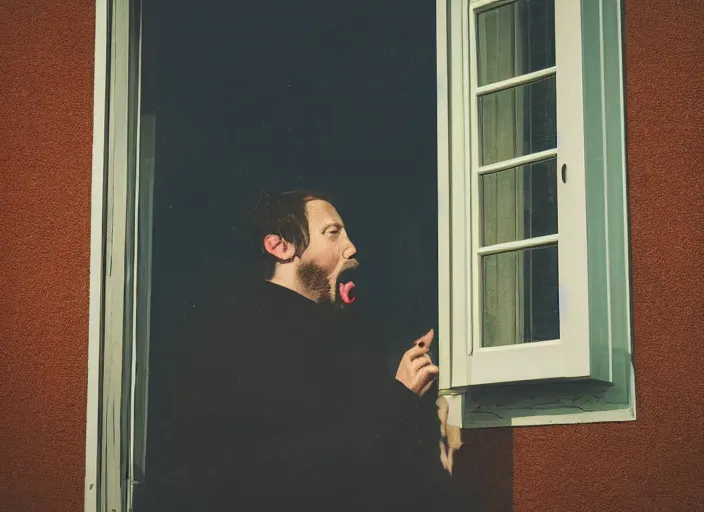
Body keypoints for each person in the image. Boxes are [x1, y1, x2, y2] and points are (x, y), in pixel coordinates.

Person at [147, 189, 457, 510]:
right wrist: (402, 394)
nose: (351, 247)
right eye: (333, 233)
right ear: (280, 247)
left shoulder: (324, 331)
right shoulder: (251, 336)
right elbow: (307, 466)